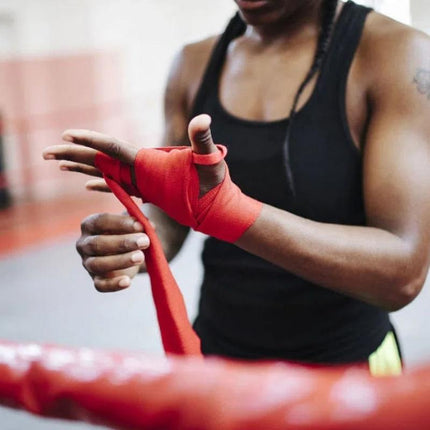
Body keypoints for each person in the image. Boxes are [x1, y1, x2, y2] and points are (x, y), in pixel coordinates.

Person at [44, 0, 430, 374]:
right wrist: (137, 240)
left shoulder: (397, 55)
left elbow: (402, 274)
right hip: (218, 364)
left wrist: (230, 212)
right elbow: (176, 213)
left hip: (349, 371)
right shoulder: (193, 63)